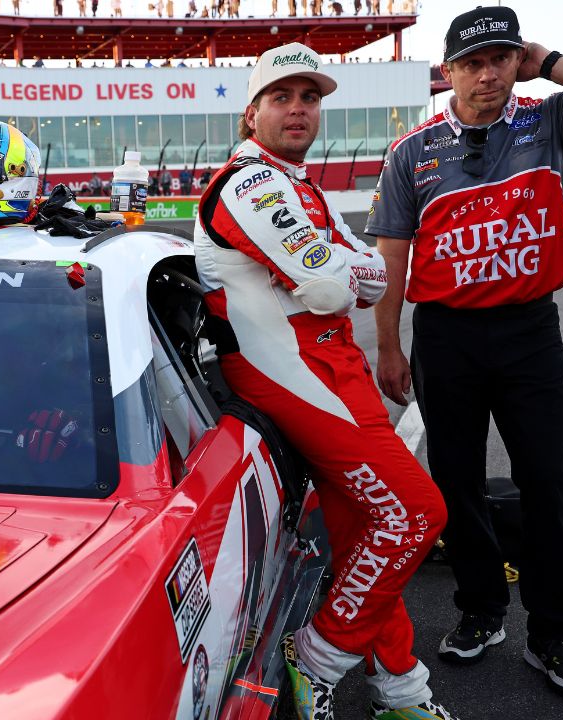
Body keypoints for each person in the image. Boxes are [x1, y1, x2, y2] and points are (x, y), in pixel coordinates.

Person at [366, 6, 563, 701]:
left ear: (515, 62)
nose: (488, 73)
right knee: (456, 482)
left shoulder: (547, 120)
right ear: (451, 72)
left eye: (501, 58)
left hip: (529, 332)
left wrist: (548, 59)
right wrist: (389, 348)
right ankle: (480, 610)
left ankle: (554, 635)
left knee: (546, 485)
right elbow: (391, 257)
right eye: (472, 63)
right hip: (445, 336)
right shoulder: (413, 151)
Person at [193, 42, 454, 720]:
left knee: (372, 534)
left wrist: (345, 273)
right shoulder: (248, 183)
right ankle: (317, 656)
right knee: (415, 514)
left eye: (310, 98)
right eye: (283, 97)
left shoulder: (302, 185)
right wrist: (345, 272)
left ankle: (402, 693)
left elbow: (368, 279)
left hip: (336, 371)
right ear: (254, 113)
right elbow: (330, 284)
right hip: (290, 374)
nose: (299, 109)